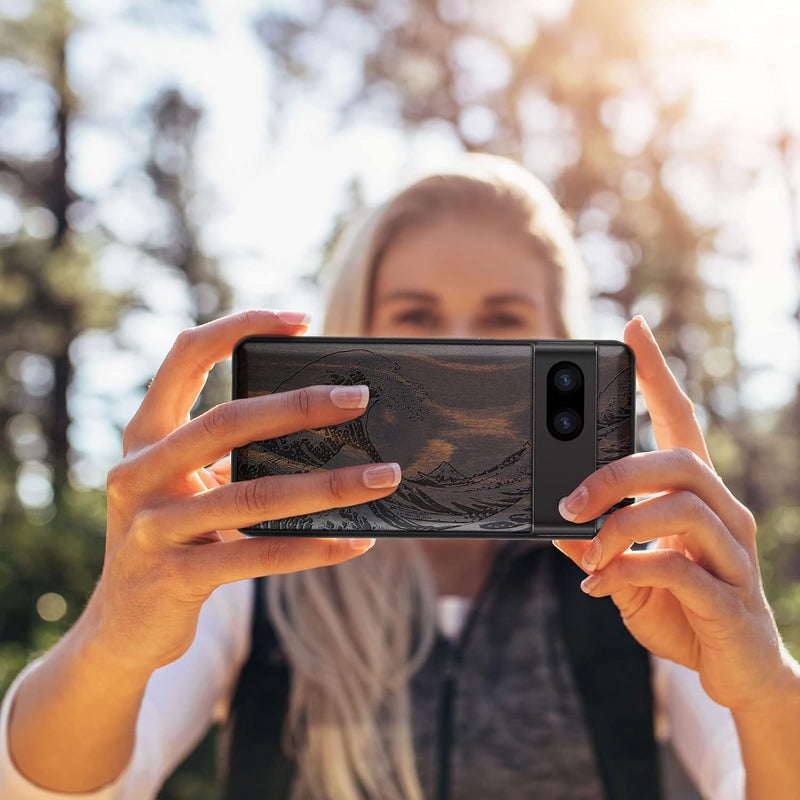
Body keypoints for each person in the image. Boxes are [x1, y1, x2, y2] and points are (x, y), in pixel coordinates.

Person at [1, 154, 799, 800]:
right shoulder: (252, 567)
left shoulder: (636, 573)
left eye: (502, 322)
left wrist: (766, 691)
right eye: (415, 318)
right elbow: (55, 790)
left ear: (562, 343)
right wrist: (115, 635)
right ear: (355, 338)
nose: (455, 350)